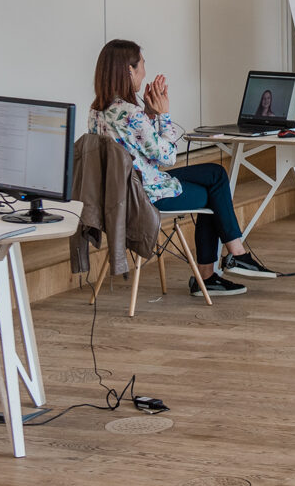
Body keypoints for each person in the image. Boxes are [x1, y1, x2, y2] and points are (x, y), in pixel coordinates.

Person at [89, 40, 276, 297]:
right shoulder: (131, 113)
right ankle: (223, 265)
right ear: (129, 70)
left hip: (123, 191)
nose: (144, 72)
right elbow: (167, 157)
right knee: (213, 193)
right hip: (147, 194)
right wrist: (164, 114)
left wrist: (149, 114)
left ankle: (231, 259)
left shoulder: (97, 111)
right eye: (142, 65)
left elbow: (140, 151)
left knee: (215, 174)